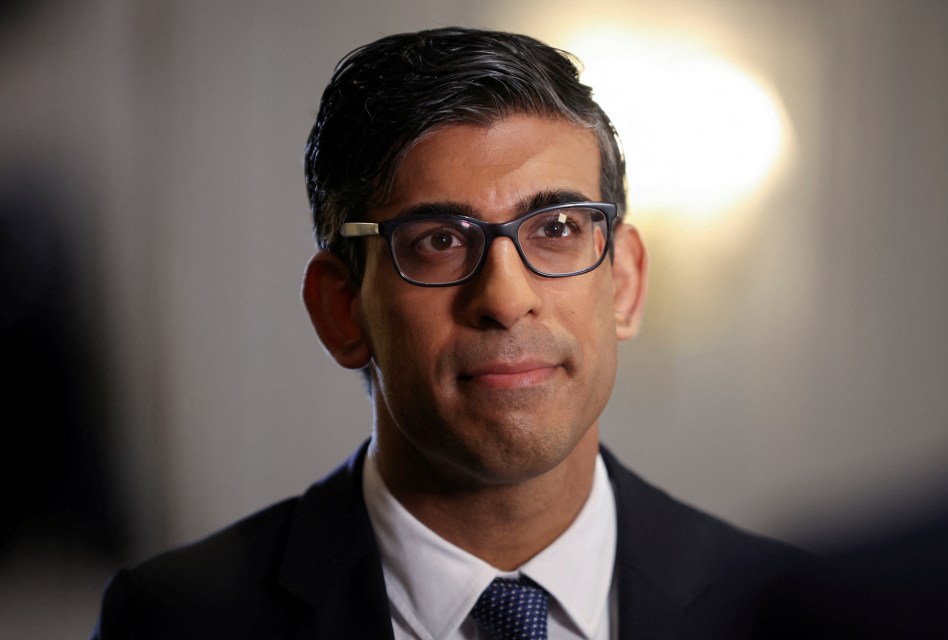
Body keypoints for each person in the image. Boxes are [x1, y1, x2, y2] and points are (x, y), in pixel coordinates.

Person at [92, 27, 809, 639]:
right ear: (341, 310)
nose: (504, 297)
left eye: (557, 229)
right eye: (439, 239)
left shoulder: (790, 613)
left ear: (623, 282)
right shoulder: (176, 621)